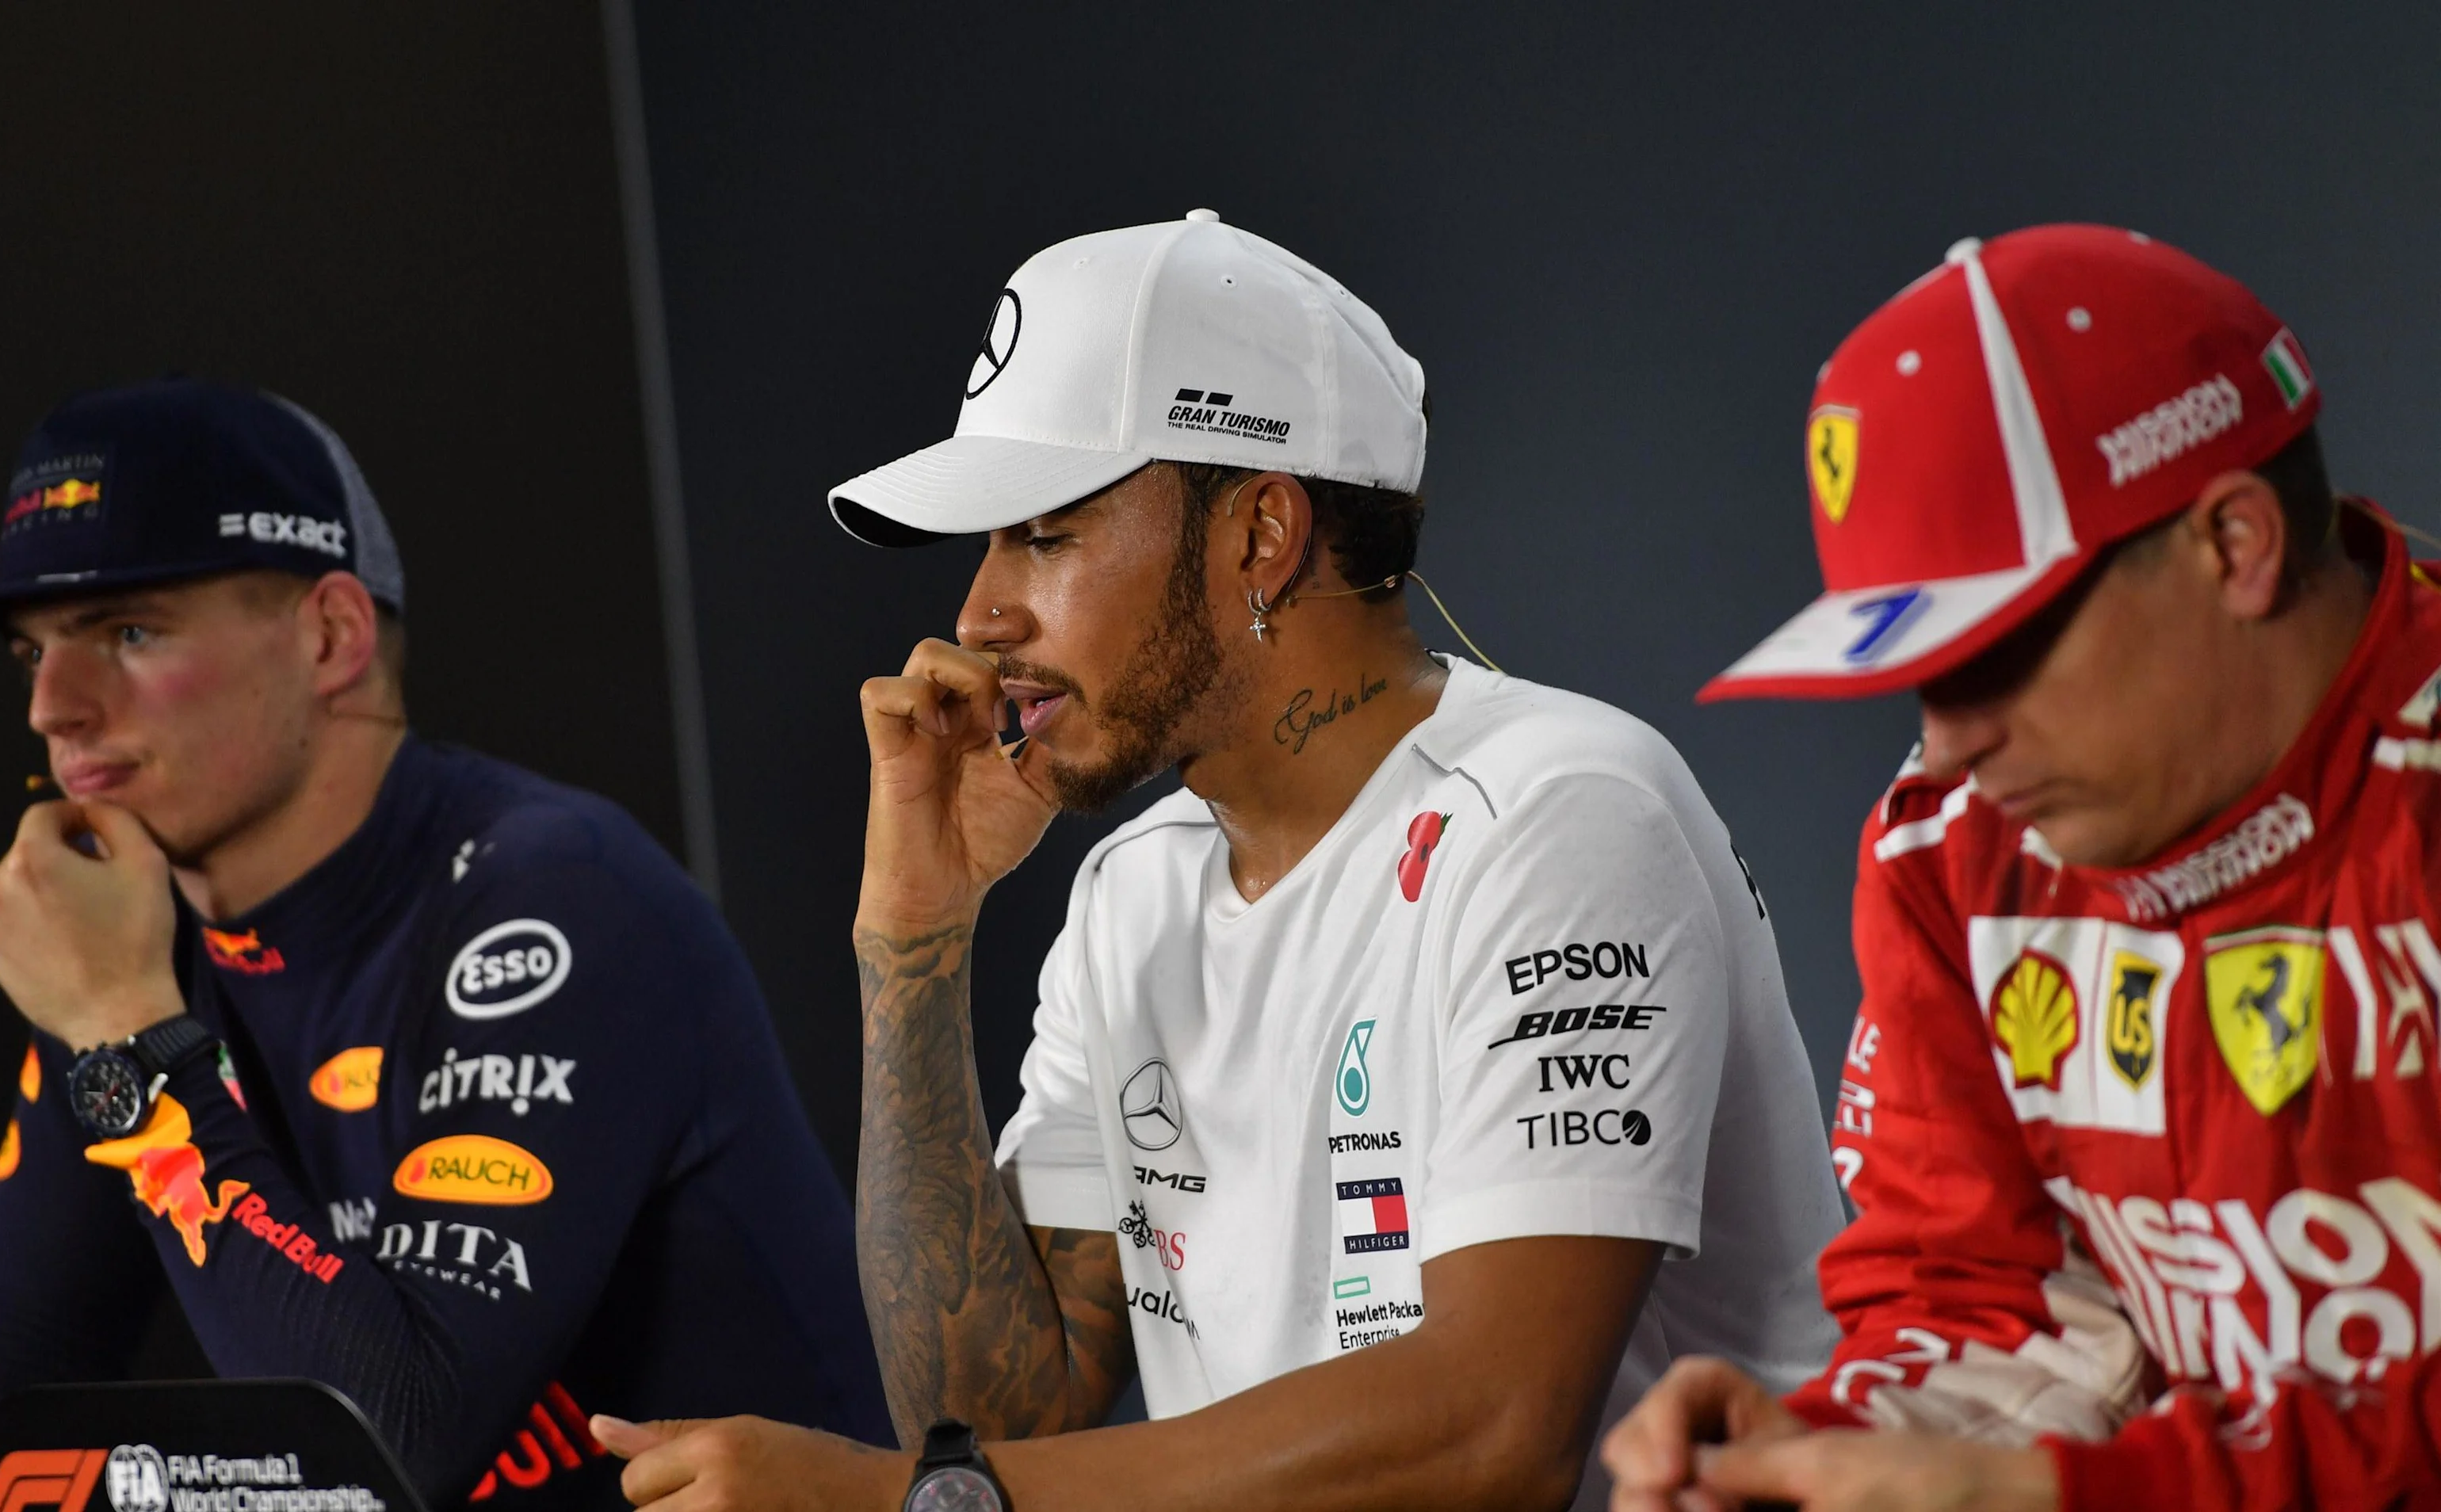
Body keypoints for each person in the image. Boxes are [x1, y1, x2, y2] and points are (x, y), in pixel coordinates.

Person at [590, 210, 1843, 1510]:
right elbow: (1005, 1416)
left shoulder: (1559, 813)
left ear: (1261, 534)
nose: (978, 612)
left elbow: (1492, 1436)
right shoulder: (1133, 893)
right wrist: (916, 936)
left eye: (1045, 534)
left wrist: (889, 1501)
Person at [0, 380, 888, 1512]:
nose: (54, 707)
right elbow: (8, 1361)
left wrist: (127, 1039)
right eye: (29, 653)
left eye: (128, 633)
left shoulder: (558, 894)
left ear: (331, 635)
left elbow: (389, 1452)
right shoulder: (131, 952)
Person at [1602, 223, 2441, 1510]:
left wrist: (2062, 1498)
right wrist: (1829, 1452)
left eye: (1991, 653)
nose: (1950, 744)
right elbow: (1993, 1304)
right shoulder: (1955, 849)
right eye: (1915, 671)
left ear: (2236, 544)